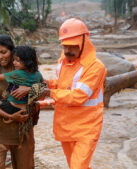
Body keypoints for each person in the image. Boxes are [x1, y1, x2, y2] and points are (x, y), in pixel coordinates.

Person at [42, 18, 107, 169]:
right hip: (66, 124)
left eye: (72, 47)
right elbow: (63, 85)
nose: (67, 51)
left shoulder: (96, 67)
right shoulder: (63, 61)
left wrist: (49, 92)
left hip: (87, 128)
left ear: (84, 43)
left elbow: (78, 96)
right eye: (65, 46)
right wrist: (48, 83)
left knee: (78, 167)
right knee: (75, 165)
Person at [0, 35, 36, 169]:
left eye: (4, 52)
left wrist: (28, 89)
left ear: (12, 51)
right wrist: (9, 116)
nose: (0, 57)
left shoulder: (26, 69)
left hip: (23, 130)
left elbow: (44, 91)